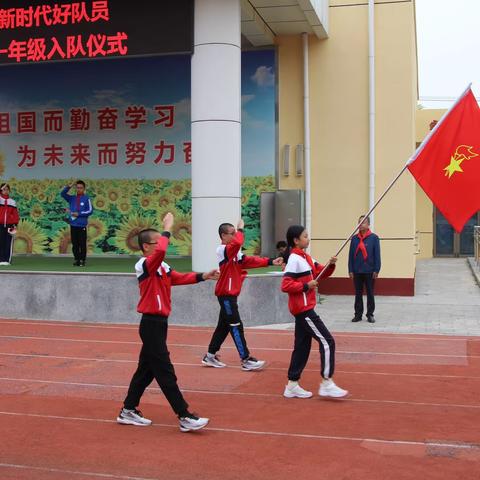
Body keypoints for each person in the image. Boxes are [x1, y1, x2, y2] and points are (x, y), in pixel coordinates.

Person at [117, 212, 218, 432]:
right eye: (156, 242)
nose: (162, 245)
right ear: (145, 247)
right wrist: (168, 227)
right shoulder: (144, 265)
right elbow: (162, 250)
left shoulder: (162, 267)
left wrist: (204, 276)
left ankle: (128, 410)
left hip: (160, 324)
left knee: (146, 370)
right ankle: (184, 415)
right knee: (165, 370)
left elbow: (179, 278)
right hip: (150, 324)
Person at [201, 219, 284, 371]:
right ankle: (245, 359)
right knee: (236, 326)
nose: (234, 236)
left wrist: (272, 261)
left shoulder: (234, 252)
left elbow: (249, 261)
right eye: (231, 234)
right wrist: (241, 229)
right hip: (226, 295)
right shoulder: (222, 250)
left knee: (223, 327)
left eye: (235, 233)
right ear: (223, 236)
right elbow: (238, 243)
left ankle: (210, 356)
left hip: (230, 294)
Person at [281, 225, 348, 399]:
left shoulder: (306, 257)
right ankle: (327, 382)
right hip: (303, 310)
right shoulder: (294, 259)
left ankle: (292, 385)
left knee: (302, 348)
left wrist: (331, 265)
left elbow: (320, 272)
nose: (308, 238)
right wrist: (305, 286)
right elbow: (285, 285)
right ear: (296, 240)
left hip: (305, 308)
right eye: (305, 236)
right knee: (327, 341)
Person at [348, 215, 381, 323]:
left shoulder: (374, 238)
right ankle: (358, 314)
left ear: (368, 225)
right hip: (357, 270)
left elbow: (377, 255)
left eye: (363, 222)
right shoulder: (354, 239)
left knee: (370, 293)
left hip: (369, 270)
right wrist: (350, 270)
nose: (360, 224)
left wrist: (376, 269)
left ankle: (370, 314)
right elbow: (351, 255)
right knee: (358, 294)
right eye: (359, 222)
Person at [60, 180, 93, 266]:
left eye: (81, 188)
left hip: (82, 225)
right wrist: (69, 186)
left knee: (82, 244)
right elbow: (62, 194)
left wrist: (79, 214)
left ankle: (82, 260)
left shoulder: (86, 198)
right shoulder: (72, 198)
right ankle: (77, 259)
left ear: (84, 189)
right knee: (75, 244)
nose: (79, 189)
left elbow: (90, 211)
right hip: (73, 225)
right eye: (77, 188)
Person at [0, 183, 19, 266]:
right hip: (0, 224)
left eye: (7, 189)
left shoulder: (12, 202)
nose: (5, 191)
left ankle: (7, 260)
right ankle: (1, 259)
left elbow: (15, 214)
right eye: (4, 189)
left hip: (9, 225)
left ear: (9, 191)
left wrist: (14, 224)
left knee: (8, 243)